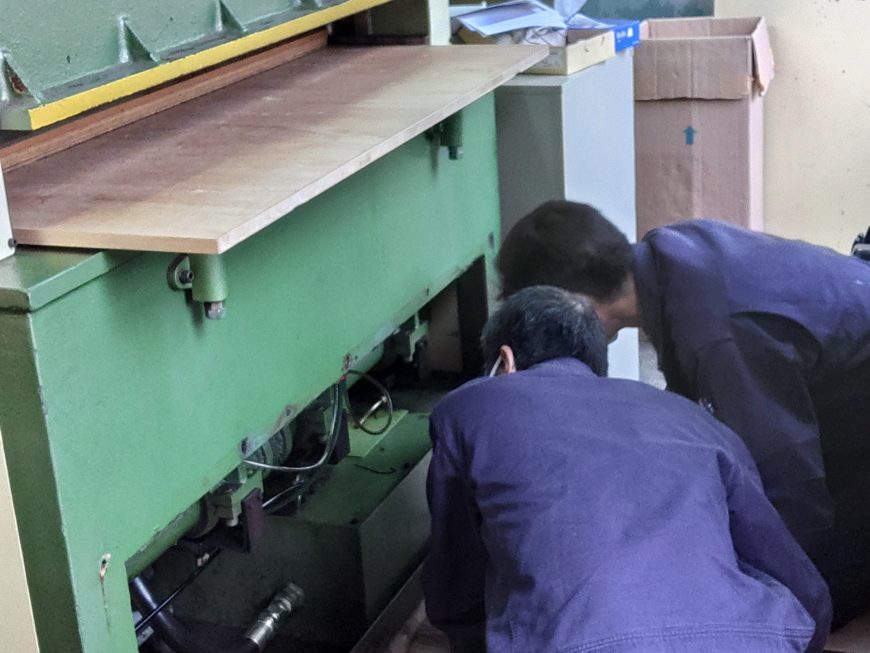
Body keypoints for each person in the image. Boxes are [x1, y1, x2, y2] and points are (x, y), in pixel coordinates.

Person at [496, 200, 870, 626]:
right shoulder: (673, 257)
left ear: (572, 300)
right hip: (844, 391)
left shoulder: (717, 335)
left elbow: (793, 488)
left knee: (763, 604)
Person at [422, 285, 831, 653]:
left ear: (505, 361)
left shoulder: (471, 407)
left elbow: (456, 578)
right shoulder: (693, 419)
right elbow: (788, 569)